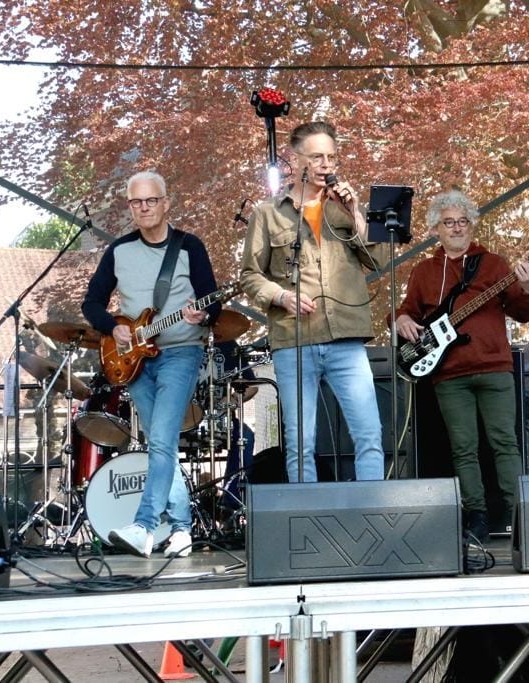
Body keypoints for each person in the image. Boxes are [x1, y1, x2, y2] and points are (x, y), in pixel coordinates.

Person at [82, 170, 222, 557]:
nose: (144, 208)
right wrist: (112, 328)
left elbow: (213, 301)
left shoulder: (189, 247)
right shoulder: (119, 251)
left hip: (181, 351)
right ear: (130, 207)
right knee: (161, 444)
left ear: (165, 203)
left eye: (151, 200)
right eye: (136, 202)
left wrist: (202, 315)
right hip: (135, 361)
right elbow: (91, 303)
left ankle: (143, 526)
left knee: (160, 439)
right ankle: (181, 530)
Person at [240, 121, 387, 483]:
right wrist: (281, 296)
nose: (326, 164)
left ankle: (370, 509)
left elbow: (378, 261)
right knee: (300, 442)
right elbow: (250, 276)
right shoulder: (267, 213)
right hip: (294, 339)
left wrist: (355, 214)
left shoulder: (343, 208)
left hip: (346, 337)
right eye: (317, 157)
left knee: (369, 434)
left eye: (332, 157)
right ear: (295, 159)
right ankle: (305, 513)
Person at [394, 190, 529, 542]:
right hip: (449, 373)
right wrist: (400, 319)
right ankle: (476, 516)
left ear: (471, 226)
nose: (457, 228)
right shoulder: (424, 271)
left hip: (495, 367)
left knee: (505, 442)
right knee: (463, 447)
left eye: (463, 221)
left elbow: (522, 313)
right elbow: (407, 310)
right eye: (449, 223)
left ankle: (521, 516)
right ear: (436, 230)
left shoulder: (495, 264)